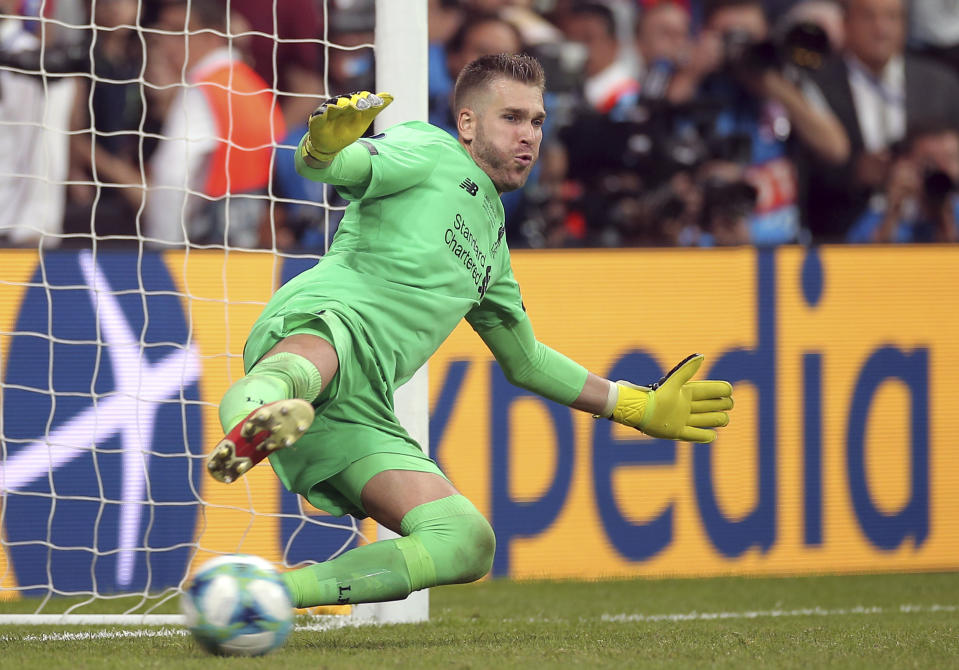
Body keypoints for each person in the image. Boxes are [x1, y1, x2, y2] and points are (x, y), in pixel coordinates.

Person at [204, 54, 734, 609]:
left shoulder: (493, 250)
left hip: (360, 408)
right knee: (316, 359)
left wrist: (636, 407)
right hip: (324, 322)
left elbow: (526, 361)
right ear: (467, 124)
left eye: (537, 121)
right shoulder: (427, 149)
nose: (528, 136)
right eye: (511, 118)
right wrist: (323, 149)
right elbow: (333, 168)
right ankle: (251, 415)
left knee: (466, 543)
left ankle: (266, 596)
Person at [801, 0, 959, 241]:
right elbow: (805, 169)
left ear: (905, 24)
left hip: (931, 232)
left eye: (892, 17)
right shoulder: (817, 85)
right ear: (846, 23)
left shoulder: (941, 85)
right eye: (868, 17)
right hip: (842, 236)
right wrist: (855, 172)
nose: (881, 29)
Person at [144, 0, 285, 248]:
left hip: (212, 235)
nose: (167, 42)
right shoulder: (251, 84)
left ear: (212, 36)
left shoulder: (204, 88)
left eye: (179, 31)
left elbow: (174, 173)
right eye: (164, 30)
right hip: (254, 230)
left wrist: (163, 244)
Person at [846, 122, 959, 243]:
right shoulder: (879, 213)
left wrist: (944, 218)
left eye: (950, 159)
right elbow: (866, 258)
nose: (941, 170)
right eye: (929, 161)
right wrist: (893, 211)